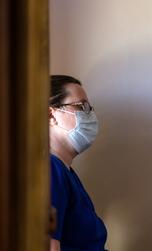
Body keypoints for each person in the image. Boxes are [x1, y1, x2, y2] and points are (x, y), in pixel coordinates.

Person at [49, 75, 107, 251]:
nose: (89, 114)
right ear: (51, 115)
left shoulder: (65, 171)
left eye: (89, 108)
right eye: (81, 106)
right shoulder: (50, 170)